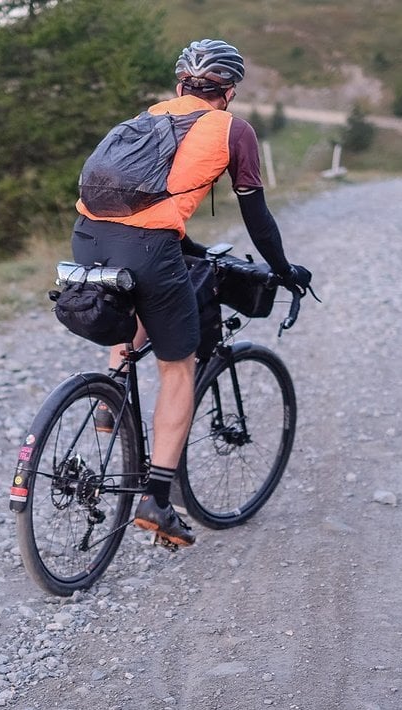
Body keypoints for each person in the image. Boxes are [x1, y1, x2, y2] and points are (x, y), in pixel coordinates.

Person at [71, 39, 311, 547]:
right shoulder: (233, 130)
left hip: (88, 235)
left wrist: (185, 244)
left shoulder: (147, 118)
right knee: (178, 367)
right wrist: (284, 269)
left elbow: (144, 209)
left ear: (181, 85)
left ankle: (109, 401)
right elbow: (258, 218)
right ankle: (157, 502)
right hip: (150, 246)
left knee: (134, 297)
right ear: (229, 91)